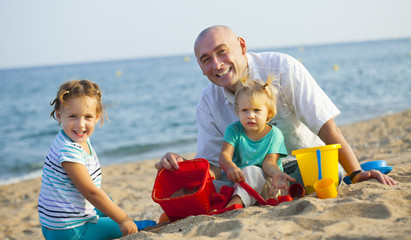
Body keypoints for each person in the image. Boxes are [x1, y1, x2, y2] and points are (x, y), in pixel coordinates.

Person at [155, 25, 396, 189]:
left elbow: (325, 125)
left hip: (307, 163)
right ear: (199, 66)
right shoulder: (208, 102)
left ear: (241, 45)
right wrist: (181, 165)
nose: (217, 64)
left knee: (331, 173)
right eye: (206, 59)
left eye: (222, 52)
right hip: (255, 176)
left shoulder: (282, 68)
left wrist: (356, 173)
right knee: (229, 183)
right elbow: (214, 166)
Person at [38, 80, 154, 240]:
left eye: (88, 117)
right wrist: (123, 219)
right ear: (59, 115)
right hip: (69, 231)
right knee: (135, 226)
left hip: (55, 222)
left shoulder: (72, 137)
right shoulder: (68, 151)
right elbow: (91, 192)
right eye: (73, 116)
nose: (81, 124)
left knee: (108, 201)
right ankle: (149, 225)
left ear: (97, 117)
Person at [219, 75, 295, 207]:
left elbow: (269, 163)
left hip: (269, 184)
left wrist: (277, 174)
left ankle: (235, 204)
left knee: (252, 171)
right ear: (237, 111)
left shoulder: (274, 134)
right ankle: (238, 197)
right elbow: (224, 155)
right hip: (242, 182)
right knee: (216, 182)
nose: (250, 116)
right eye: (244, 110)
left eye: (257, 110)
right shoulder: (234, 130)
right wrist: (230, 166)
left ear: (269, 112)